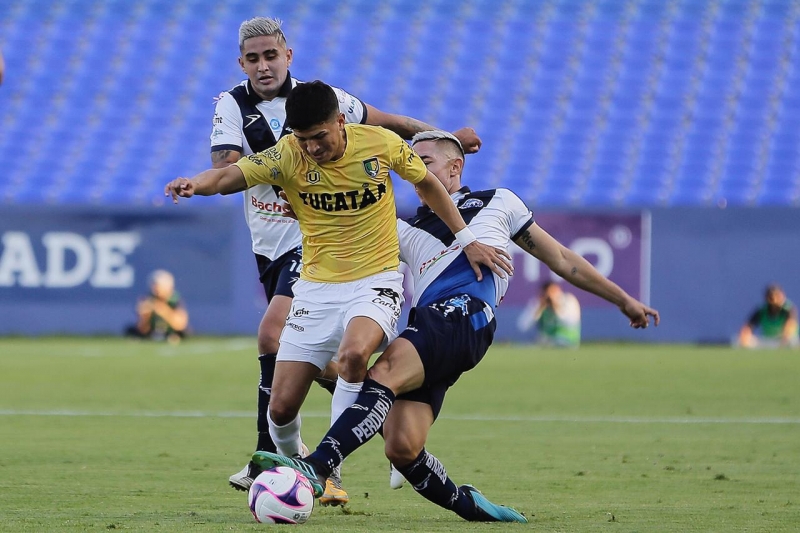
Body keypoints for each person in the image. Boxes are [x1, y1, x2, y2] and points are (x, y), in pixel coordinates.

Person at [250, 130, 659, 523]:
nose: (416, 172)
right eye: (412, 165)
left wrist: (623, 300)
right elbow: (342, 230)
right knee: (403, 447)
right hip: (433, 328)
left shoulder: (498, 202)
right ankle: (471, 506)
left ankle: (316, 468)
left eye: (424, 162)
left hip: (465, 312)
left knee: (383, 373)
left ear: (455, 168)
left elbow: (562, 258)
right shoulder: (403, 228)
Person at [166, 83, 511, 503]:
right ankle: (293, 460)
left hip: (375, 280)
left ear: (340, 122)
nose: (311, 147)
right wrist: (193, 184)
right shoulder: (287, 154)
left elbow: (428, 185)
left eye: (320, 137)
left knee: (353, 355)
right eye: (303, 138)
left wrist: (467, 237)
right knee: (280, 409)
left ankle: (327, 471)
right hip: (315, 289)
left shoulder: (380, 144)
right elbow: (226, 176)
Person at [210, 17, 483, 500]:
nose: (263, 65)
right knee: (296, 390)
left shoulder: (345, 111)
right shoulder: (237, 108)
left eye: (270, 55)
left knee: (300, 339)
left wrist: (445, 138)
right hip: (275, 245)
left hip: (343, 256)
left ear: (287, 55)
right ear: (242, 63)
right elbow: (225, 168)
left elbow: (395, 127)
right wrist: (199, 183)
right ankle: (359, 421)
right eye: (253, 58)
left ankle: (315, 466)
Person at [125, 270, 189, 343]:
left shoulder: (174, 300)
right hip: (151, 331)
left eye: (157, 285)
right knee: (130, 330)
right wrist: (145, 315)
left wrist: (163, 311)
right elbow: (141, 328)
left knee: (182, 333)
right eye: (153, 285)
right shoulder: (147, 299)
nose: (155, 288)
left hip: (170, 331)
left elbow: (180, 325)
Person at [517, 281, 581, 347]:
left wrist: (556, 307)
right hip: (547, 343)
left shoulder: (569, 300)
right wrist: (539, 308)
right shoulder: (539, 303)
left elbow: (571, 322)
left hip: (567, 343)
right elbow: (523, 326)